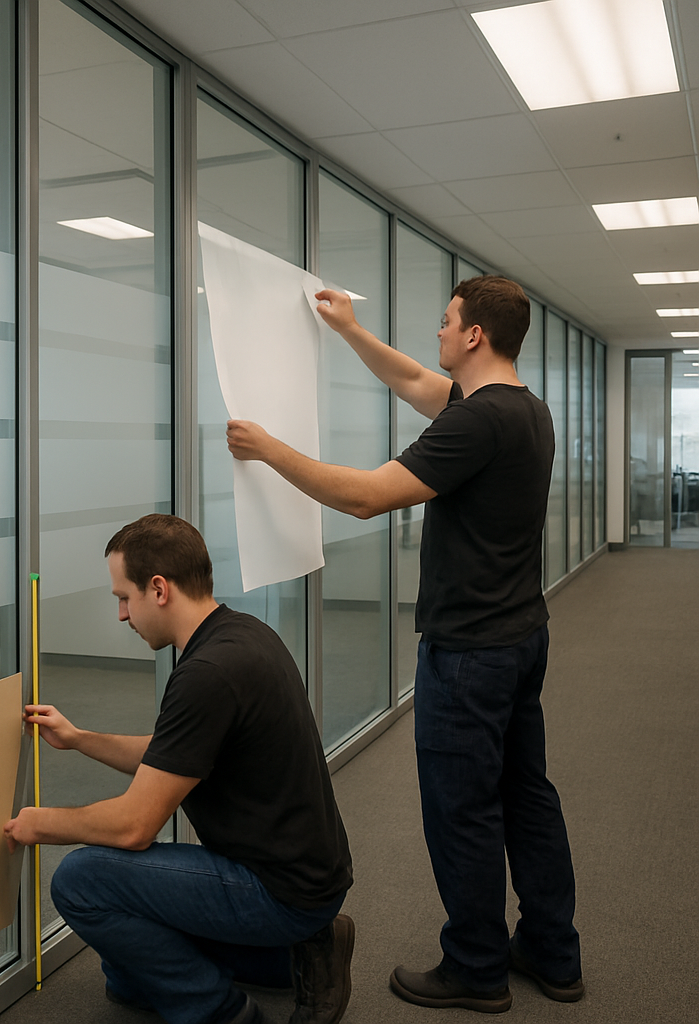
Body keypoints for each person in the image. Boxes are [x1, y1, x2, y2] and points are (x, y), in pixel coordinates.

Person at [226, 277, 582, 1013]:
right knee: (527, 797)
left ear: (476, 335)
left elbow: (364, 496)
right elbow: (417, 381)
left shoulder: (477, 423)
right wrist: (352, 332)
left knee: (463, 811)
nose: (440, 332)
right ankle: (552, 952)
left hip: (470, 651)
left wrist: (268, 449)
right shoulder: (526, 411)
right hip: (520, 635)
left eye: (447, 321)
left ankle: (477, 968)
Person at [3, 513, 354, 1024]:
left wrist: (41, 823)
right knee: (125, 975)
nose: (123, 614)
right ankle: (295, 955)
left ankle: (224, 1011)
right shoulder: (240, 634)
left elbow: (133, 827)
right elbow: (175, 753)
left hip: (278, 890)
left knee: (81, 880)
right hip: (308, 878)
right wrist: (79, 740)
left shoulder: (207, 673)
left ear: (159, 589)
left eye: (125, 597)